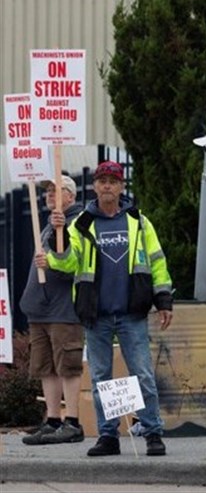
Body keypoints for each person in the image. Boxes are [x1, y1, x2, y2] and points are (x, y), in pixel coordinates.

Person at [38, 160, 174, 457]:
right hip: (95, 314)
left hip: (131, 312)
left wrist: (163, 300)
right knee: (101, 378)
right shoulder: (82, 223)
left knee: (143, 374)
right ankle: (108, 435)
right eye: (102, 181)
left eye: (113, 181)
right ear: (95, 186)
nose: (107, 185)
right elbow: (67, 264)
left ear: (122, 186)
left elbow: (157, 262)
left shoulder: (138, 221)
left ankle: (153, 432)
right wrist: (58, 244)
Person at [21, 175, 85, 445]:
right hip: (41, 310)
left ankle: (72, 421)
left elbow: (75, 261)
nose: (49, 194)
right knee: (46, 366)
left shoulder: (77, 223)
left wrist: (54, 255)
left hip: (63, 309)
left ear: (70, 196)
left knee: (67, 365)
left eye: (56, 190)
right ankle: (53, 420)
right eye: (47, 190)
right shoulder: (48, 226)